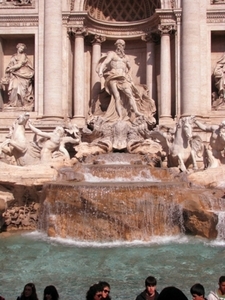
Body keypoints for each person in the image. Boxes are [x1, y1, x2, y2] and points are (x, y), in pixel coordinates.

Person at [96, 39, 143, 120]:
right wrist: (100, 71)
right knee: (116, 97)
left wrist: (129, 75)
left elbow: (130, 68)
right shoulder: (112, 54)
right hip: (113, 77)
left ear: (124, 47)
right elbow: (105, 62)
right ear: (116, 46)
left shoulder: (126, 57)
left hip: (123, 77)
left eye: (121, 45)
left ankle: (136, 111)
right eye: (118, 44)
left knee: (130, 94)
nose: (119, 46)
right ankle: (120, 116)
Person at [2, 43, 34, 107]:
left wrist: (10, 68)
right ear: (17, 47)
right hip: (15, 75)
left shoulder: (23, 56)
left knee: (22, 90)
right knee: (14, 87)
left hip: (23, 74)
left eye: (23, 48)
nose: (21, 49)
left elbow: (19, 65)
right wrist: (8, 70)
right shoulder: (14, 56)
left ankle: (23, 103)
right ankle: (12, 103)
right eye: (20, 48)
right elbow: (10, 64)